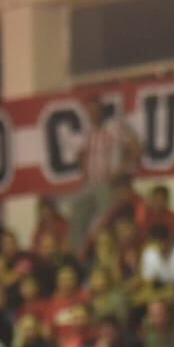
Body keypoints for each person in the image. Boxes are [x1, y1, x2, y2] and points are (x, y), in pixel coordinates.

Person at [69, 95, 141, 252]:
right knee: (77, 209)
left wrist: (120, 170)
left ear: (101, 111)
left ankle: (105, 253)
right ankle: (78, 253)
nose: (93, 114)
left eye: (95, 111)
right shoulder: (87, 132)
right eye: (90, 111)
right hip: (91, 182)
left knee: (104, 219)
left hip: (108, 183)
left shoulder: (114, 128)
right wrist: (85, 172)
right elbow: (80, 154)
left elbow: (136, 148)